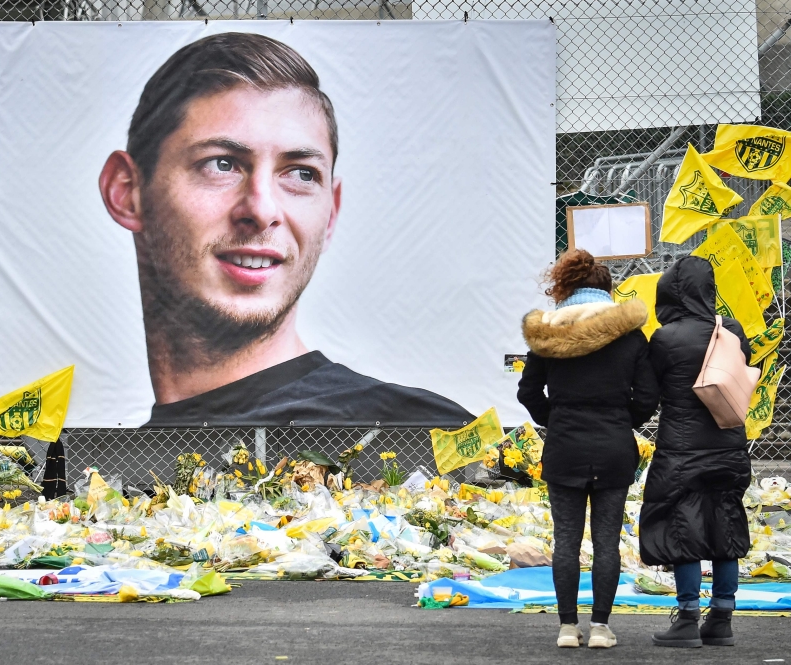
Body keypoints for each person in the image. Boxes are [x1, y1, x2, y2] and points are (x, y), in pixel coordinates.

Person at [98, 32, 475, 428]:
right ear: (127, 193)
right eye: (221, 164)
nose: (262, 210)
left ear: (330, 214)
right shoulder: (112, 470)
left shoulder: (419, 437)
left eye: (301, 174)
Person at [517, 249, 659, 649]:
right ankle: (600, 627)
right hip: (614, 446)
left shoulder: (548, 334)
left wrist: (556, 417)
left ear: (566, 287)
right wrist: (621, 420)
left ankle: (566, 627)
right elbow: (648, 396)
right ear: (606, 289)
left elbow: (528, 392)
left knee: (566, 539)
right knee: (606, 541)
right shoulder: (630, 335)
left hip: (564, 446)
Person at [639, 256, 752, 648]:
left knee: (682, 528)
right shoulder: (731, 330)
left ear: (670, 291)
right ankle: (721, 618)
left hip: (681, 450)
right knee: (726, 525)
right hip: (730, 446)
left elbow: (649, 395)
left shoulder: (666, 338)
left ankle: (687, 618)